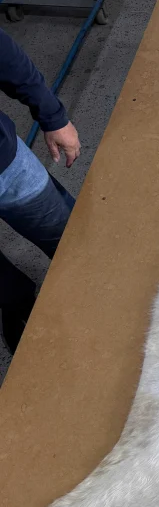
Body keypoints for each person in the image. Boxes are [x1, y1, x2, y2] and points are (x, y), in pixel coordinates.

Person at [0, 27, 81, 354]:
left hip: (5, 168)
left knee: (70, 239)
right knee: (5, 286)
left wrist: (52, 115)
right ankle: (17, 301)